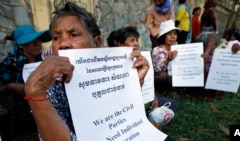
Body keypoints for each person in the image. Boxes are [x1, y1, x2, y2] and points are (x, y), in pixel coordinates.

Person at [24, 2, 149, 140]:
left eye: (74, 34)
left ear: (96, 43)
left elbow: (121, 122)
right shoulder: (50, 86)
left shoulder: (110, 75)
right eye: (56, 37)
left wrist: (133, 83)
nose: (63, 44)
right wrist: (35, 92)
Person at [107, 26, 178, 125]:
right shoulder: (114, 64)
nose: (136, 43)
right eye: (132, 40)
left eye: (136, 40)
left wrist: (154, 97)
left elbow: (148, 83)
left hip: (145, 99)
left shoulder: (141, 58)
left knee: (174, 104)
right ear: (119, 43)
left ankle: (150, 115)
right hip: (127, 105)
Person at [0, 25, 51, 141]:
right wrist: (10, 87)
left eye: (38, 40)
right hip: (19, 121)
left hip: (45, 113)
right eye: (31, 42)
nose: (37, 44)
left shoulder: (45, 60)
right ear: (21, 45)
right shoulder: (9, 64)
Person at [152, 20, 179, 94]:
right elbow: (157, 70)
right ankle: (165, 90)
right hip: (165, 77)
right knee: (162, 75)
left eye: (174, 34)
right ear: (164, 36)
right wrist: (168, 59)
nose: (173, 37)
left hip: (177, 74)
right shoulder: (157, 50)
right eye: (169, 34)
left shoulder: (178, 48)